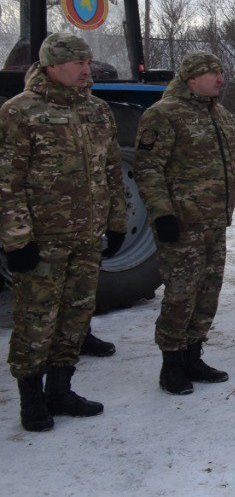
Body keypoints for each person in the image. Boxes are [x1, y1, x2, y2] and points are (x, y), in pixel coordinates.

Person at [0, 34, 126, 431]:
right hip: (42, 241)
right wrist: (18, 240)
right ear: (53, 65)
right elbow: (8, 182)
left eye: (88, 61)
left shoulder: (97, 110)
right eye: (78, 63)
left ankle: (61, 389)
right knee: (36, 321)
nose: (87, 69)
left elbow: (111, 170)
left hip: (86, 237)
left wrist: (117, 222)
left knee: (76, 317)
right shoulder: (19, 112)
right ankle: (32, 400)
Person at [134, 51, 235, 395]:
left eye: (220, 72)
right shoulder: (163, 115)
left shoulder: (219, 115)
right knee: (180, 293)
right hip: (182, 224)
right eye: (213, 73)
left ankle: (193, 354)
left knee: (207, 292)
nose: (220, 79)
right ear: (192, 77)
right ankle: (171, 364)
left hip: (215, 222)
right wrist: (162, 213)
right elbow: (148, 169)